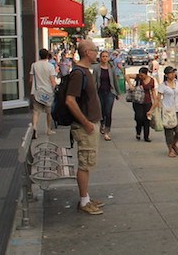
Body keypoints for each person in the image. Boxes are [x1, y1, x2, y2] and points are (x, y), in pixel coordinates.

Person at [65, 39, 103, 215]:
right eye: (95, 50)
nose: (97, 53)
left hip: (90, 123)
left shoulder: (85, 71)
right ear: (87, 52)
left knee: (88, 162)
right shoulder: (79, 73)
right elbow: (70, 100)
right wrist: (86, 123)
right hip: (85, 126)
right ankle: (83, 202)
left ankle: (86, 197)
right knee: (85, 164)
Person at [29, 48, 58, 139]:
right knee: (48, 112)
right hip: (47, 92)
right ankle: (48, 129)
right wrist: (55, 89)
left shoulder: (34, 65)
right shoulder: (50, 66)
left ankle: (34, 128)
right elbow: (52, 81)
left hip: (37, 91)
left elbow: (31, 79)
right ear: (47, 56)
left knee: (36, 111)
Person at [92, 50, 121, 141]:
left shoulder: (111, 68)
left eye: (106, 56)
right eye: (103, 56)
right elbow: (94, 81)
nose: (105, 58)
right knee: (101, 112)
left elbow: (115, 81)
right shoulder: (96, 68)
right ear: (100, 58)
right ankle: (102, 124)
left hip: (110, 92)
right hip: (100, 92)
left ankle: (107, 132)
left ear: (109, 58)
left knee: (108, 112)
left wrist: (118, 92)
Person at [125, 67, 156, 142]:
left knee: (146, 119)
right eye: (140, 75)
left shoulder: (151, 80)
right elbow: (127, 76)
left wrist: (156, 101)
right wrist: (130, 85)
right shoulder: (138, 77)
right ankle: (138, 131)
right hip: (137, 101)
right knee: (139, 117)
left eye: (142, 75)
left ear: (146, 74)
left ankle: (146, 136)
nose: (141, 77)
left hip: (147, 101)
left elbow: (153, 90)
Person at [158, 66, 178, 157]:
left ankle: (174, 144)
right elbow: (158, 98)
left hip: (177, 109)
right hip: (167, 110)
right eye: (171, 73)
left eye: (174, 73)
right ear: (166, 75)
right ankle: (170, 149)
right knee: (169, 130)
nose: (173, 74)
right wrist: (153, 110)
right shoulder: (163, 86)